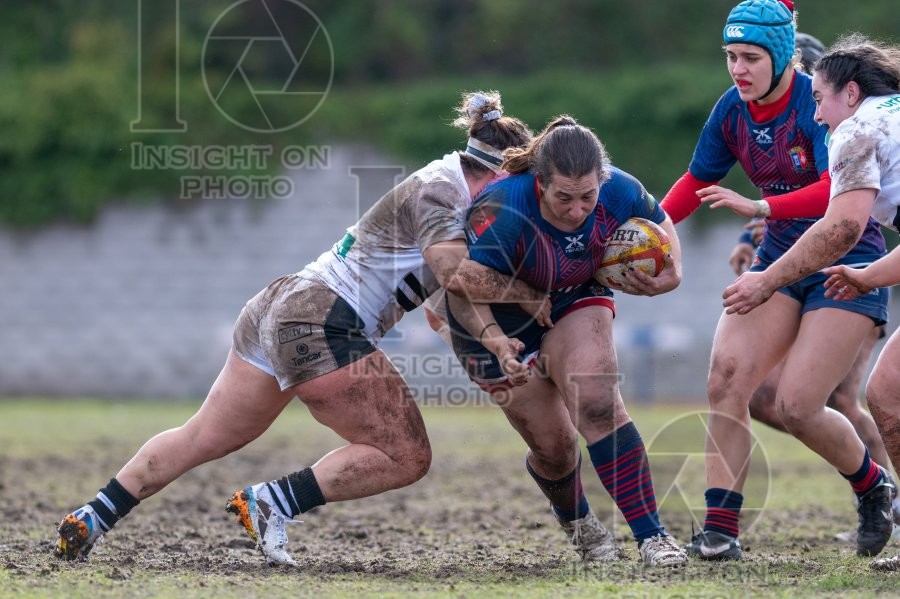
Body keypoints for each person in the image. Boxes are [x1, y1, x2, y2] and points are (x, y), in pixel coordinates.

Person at [54, 91, 548, 565]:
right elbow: (456, 274)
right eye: (518, 193)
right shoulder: (443, 193)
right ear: (500, 176)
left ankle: (93, 516)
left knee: (202, 434)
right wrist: (532, 296)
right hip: (320, 318)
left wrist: (495, 345)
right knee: (407, 455)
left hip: (282, 304)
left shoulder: (447, 190)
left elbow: (442, 307)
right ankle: (272, 501)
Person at [657, 0, 894, 561]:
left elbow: (835, 193)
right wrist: (650, 228)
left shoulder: (822, 106)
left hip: (844, 263)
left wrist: (762, 206)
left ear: (784, 56)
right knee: (726, 381)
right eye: (730, 56)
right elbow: (697, 179)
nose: (738, 69)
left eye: (751, 57)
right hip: (779, 260)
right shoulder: (731, 110)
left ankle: (872, 485)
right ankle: (721, 531)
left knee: (798, 406)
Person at [444, 115, 688, 566]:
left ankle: (653, 537)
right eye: (564, 198)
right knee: (555, 450)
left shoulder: (619, 188)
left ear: (601, 182)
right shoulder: (503, 208)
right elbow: (461, 286)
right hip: (497, 319)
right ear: (540, 183)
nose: (577, 211)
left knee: (597, 402)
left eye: (587, 197)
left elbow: (661, 220)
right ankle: (579, 523)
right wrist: (496, 341)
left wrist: (673, 272)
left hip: (574, 294)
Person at [718, 33, 900, 569]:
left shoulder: (858, 131)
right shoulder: (888, 116)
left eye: (818, 99)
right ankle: (878, 489)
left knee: (868, 394)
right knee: (883, 393)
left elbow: (841, 228)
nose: (816, 115)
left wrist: (765, 280)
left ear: (850, 93)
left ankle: (878, 491)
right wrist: (868, 276)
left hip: (828, 276)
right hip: (850, 273)